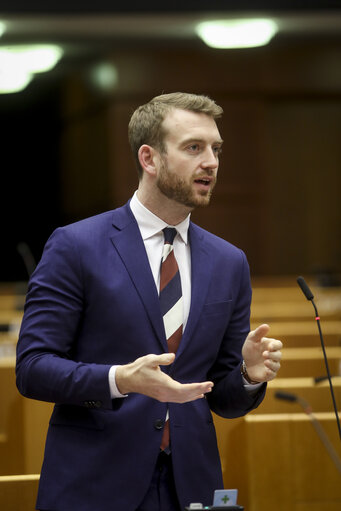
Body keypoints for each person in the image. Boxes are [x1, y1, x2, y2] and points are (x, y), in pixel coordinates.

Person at [16, 92, 282, 511]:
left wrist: (248, 374)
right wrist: (120, 378)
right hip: (95, 483)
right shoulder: (76, 245)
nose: (211, 161)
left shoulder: (230, 261)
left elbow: (223, 399)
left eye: (216, 149)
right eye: (193, 147)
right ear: (149, 158)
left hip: (191, 485)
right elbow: (32, 369)